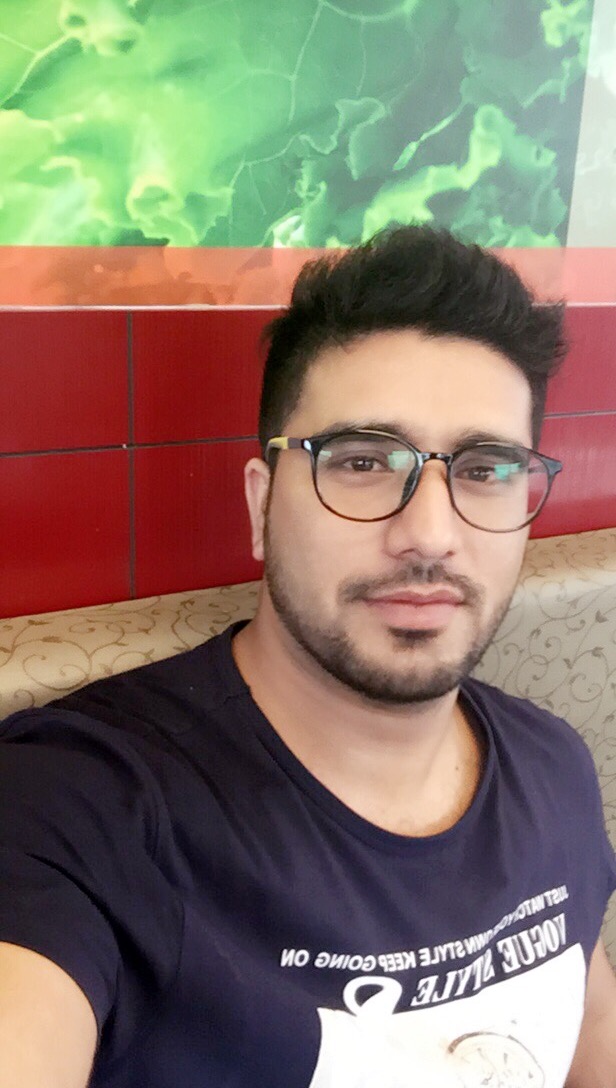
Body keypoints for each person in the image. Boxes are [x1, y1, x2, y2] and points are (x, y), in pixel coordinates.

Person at [1, 227, 615, 1088]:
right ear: (262, 507)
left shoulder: (555, 769)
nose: (430, 534)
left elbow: (590, 1036)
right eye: (362, 461)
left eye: (485, 469)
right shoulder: (83, 805)